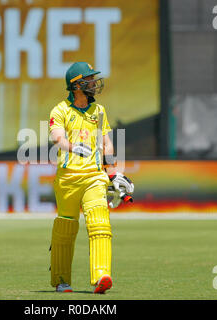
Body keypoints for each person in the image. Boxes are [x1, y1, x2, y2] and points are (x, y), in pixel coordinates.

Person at [48, 62, 134, 294]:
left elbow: (106, 142)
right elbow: (57, 138)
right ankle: (61, 280)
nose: (94, 84)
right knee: (66, 228)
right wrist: (73, 147)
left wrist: (113, 172)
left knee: (100, 222)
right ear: (76, 85)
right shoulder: (60, 110)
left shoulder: (99, 111)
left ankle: (101, 276)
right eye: (89, 80)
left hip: (94, 177)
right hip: (67, 179)